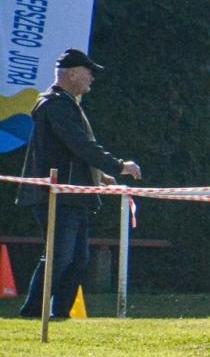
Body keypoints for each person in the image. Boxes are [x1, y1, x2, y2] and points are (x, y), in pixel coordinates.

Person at [15, 49, 142, 319]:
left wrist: (99, 175)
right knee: (59, 257)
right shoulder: (55, 105)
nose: (92, 79)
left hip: (74, 195)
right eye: (88, 73)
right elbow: (80, 144)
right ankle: (32, 313)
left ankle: (60, 314)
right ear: (72, 74)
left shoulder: (65, 104)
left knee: (77, 260)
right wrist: (119, 166)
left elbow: (70, 151)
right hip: (58, 195)